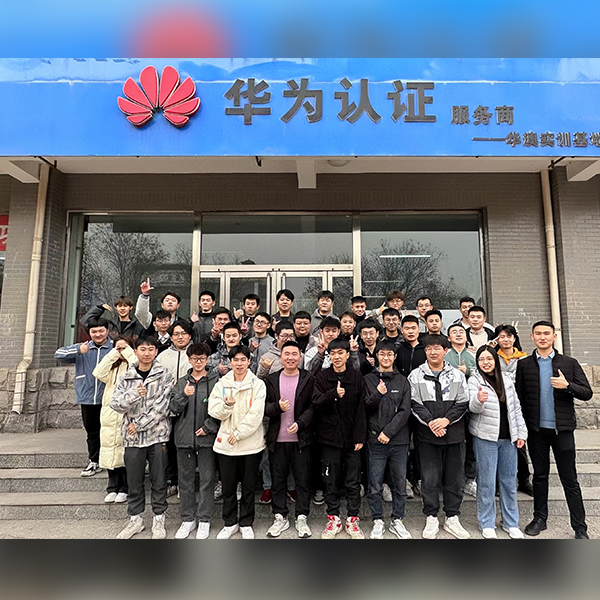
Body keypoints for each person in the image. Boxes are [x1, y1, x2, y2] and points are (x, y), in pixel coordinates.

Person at [516, 321, 593, 539]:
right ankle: (540, 518)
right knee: (539, 476)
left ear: (554, 336)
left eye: (546, 333)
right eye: (538, 334)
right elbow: (519, 398)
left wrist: (568, 386)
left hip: (563, 430)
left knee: (570, 479)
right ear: (532, 337)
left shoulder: (569, 363)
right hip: (537, 431)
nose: (542, 337)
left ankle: (580, 527)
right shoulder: (524, 365)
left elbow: (587, 393)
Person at [110, 337, 175, 540]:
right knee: (134, 480)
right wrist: (134, 395)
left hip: (157, 436)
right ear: (136, 351)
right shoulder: (126, 376)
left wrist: (138, 425)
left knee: (159, 480)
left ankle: (159, 519)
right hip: (133, 440)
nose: (147, 353)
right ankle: (135, 520)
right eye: (143, 349)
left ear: (156, 352)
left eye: (151, 349)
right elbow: (115, 404)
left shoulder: (165, 375)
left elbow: (163, 407)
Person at [409, 334, 470, 539]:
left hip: (454, 435)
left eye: (437, 348)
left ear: (446, 351)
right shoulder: (416, 375)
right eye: (428, 349)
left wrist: (445, 421)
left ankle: (452, 517)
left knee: (454, 479)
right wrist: (431, 423)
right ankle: (431, 516)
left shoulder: (456, 375)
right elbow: (414, 403)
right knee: (429, 479)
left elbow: (463, 402)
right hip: (427, 436)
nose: (432, 352)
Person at [468, 345, 528, 539]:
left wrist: (521, 434)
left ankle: (510, 522)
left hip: (508, 438)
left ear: (496, 360)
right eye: (481, 359)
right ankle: (486, 522)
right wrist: (479, 400)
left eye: (489, 359)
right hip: (485, 438)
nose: (485, 362)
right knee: (486, 482)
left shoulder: (507, 380)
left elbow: (516, 408)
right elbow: (472, 408)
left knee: (509, 481)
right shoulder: (474, 380)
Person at [208, 345, 267, 539]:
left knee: (248, 487)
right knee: (228, 487)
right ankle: (230, 522)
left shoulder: (258, 384)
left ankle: (246, 522)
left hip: (251, 444)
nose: (239, 364)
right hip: (226, 444)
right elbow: (213, 410)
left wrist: (240, 433)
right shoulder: (222, 384)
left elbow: (256, 414)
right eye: (235, 360)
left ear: (249, 361)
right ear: (230, 362)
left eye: (243, 360)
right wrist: (227, 406)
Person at [313, 337, 367, 539]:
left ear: (347, 355)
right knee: (330, 480)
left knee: (353, 481)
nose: (336, 357)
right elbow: (316, 402)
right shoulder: (322, 377)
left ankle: (353, 519)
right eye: (333, 353)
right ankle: (333, 518)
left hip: (352, 438)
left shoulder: (356, 376)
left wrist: (360, 436)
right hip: (329, 438)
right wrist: (333, 394)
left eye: (340, 353)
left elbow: (362, 408)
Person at [264, 341, 315, 538]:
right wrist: (277, 407)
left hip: (301, 439)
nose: (291, 358)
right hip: (277, 439)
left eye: (295, 354)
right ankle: (280, 516)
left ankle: (302, 516)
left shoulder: (308, 378)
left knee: (302, 480)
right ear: (281, 356)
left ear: (300, 357)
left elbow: (313, 406)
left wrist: (301, 423)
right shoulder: (271, 379)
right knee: (278, 480)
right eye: (287, 354)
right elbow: (264, 407)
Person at [169, 343, 220, 539]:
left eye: (202, 358)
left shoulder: (215, 381)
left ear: (207, 360)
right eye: (195, 358)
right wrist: (184, 395)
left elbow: (221, 409)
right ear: (189, 360)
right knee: (186, 481)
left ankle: (205, 519)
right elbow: (172, 408)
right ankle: (188, 519)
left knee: (207, 480)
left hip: (207, 438)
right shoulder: (182, 382)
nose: (199, 362)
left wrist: (209, 426)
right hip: (184, 438)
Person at [364, 341, 412, 539]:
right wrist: (378, 393)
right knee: (374, 484)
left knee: (399, 484)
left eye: (389, 354)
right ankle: (377, 519)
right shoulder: (368, 379)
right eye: (382, 354)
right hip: (375, 440)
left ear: (394, 357)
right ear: (376, 356)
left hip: (399, 441)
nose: (386, 358)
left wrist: (389, 432)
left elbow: (405, 411)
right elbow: (365, 407)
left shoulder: (403, 381)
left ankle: (397, 519)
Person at [55, 317, 113, 477]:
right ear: (89, 333)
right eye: (94, 331)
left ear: (107, 331)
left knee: (110, 431)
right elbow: (58, 354)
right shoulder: (83, 347)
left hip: (109, 398)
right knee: (92, 431)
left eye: (101, 330)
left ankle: (112, 462)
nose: (98, 334)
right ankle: (94, 461)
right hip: (87, 397)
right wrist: (78, 351)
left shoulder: (114, 347)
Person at [92, 335, 136, 503]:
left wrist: (129, 354)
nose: (121, 351)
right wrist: (113, 354)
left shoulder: (133, 365)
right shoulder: (112, 368)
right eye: (118, 348)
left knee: (124, 451)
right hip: (110, 413)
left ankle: (125, 488)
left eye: (125, 348)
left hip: (127, 412)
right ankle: (112, 487)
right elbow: (98, 372)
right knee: (110, 449)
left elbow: (138, 369)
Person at [494, 323, 533, 496]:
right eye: (501, 337)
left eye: (508, 336)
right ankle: (497, 482)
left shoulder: (524, 359)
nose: (505, 340)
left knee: (520, 443)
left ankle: (523, 479)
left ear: (514, 338)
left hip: (519, 406)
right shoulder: (493, 358)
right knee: (498, 444)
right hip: (499, 407)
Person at [445, 323, 478, 497]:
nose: (458, 334)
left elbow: (484, 372)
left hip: (472, 406)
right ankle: (452, 480)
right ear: (448, 338)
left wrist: (469, 371)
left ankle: (470, 479)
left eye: (461, 332)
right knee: (453, 445)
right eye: (454, 332)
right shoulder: (445, 355)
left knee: (471, 443)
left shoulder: (474, 354)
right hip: (450, 407)